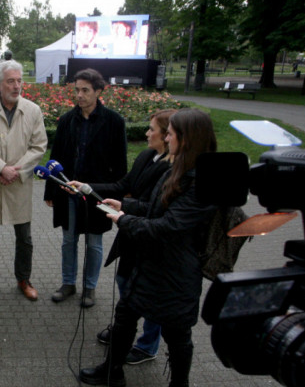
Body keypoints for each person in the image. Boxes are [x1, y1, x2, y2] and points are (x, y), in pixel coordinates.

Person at [77, 108, 218, 387]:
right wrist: (124, 205)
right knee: (125, 316)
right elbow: (155, 209)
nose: (165, 137)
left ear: (186, 139)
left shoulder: (200, 181)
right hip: (150, 265)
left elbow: (167, 228)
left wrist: (125, 220)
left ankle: (179, 383)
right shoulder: (177, 169)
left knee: (177, 336)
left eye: (170, 133)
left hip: (175, 275)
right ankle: (112, 371)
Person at [92, 109, 177, 365]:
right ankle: (123, 329)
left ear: (168, 135)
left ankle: (147, 345)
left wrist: (125, 207)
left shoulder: (173, 169)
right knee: (124, 280)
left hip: (150, 239)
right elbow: (123, 186)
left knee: (150, 293)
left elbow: (152, 206)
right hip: (131, 233)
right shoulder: (147, 155)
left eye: (152, 129)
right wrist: (86, 186)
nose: (147, 133)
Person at [43, 68, 127, 308]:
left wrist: (114, 196)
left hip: (97, 193)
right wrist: (51, 191)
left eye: (85, 90)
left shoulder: (114, 121)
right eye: (76, 90)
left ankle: (89, 288)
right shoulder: (68, 120)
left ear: (98, 92)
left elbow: (120, 164)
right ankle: (68, 283)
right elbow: (55, 156)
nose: (79, 95)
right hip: (68, 191)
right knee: (69, 240)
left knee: (94, 243)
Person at [0, 60, 48, 302]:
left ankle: (24, 279)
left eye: (19, 81)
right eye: (10, 81)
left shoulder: (32, 110)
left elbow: (39, 146)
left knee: (25, 237)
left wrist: (16, 171)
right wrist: (1, 168)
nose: (16, 86)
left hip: (18, 183)